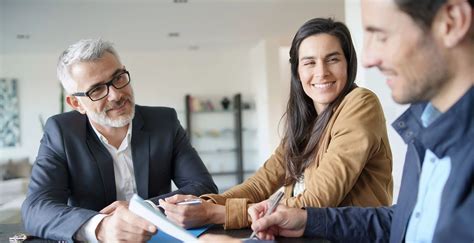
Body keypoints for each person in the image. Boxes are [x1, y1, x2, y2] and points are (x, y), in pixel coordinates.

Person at [246, 0, 474, 242]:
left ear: (452, 22)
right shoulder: (426, 125)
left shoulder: (365, 106)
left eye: (382, 36)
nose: (367, 59)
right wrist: (308, 220)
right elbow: (406, 222)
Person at [159, 17, 394, 230]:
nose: (321, 72)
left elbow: (316, 202)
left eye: (332, 59)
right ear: (298, 71)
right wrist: (202, 204)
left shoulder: (361, 104)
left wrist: (217, 213)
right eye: (309, 62)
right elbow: (260, 184)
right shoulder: (306, 121)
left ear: (348, 64)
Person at [21, 39, 218, 242]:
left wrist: (143, 209)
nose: (116, 95)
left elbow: (203, 186)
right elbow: (36, 208)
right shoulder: (61, 132)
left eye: (118, 78)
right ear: (76, 103)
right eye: (96, 90)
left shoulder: (164, 122)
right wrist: (101, 227)